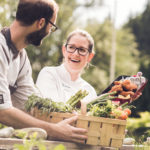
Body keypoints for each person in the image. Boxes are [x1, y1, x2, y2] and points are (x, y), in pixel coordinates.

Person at [0, 0, 87, 142]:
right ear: (41, 23)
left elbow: (32, 104)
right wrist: (54, 130)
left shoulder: (21, 58)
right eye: (51, 26)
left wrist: (67, 114)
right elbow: (2, 112)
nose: (49, 32)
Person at [36, 29, 97, 104]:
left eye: (82, 50)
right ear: (64, 50)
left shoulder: (90, 91)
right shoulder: (49, 74)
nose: (75, 54)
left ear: (90, 56)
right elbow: (51, 110)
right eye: (71, 47)